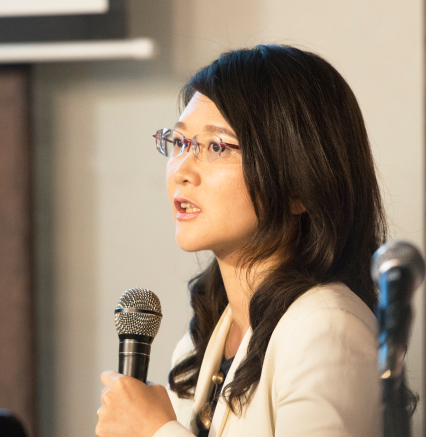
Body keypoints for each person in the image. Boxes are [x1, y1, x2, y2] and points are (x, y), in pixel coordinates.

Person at [96, 44, 389, 437]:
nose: (181, 170)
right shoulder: (200, 342)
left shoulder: (327, 328)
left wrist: (156, 431)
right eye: (179, 143)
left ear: (299, 188)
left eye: (216, 146)